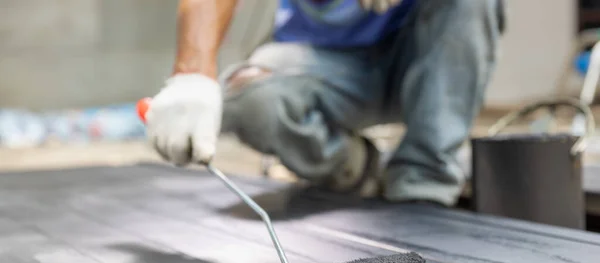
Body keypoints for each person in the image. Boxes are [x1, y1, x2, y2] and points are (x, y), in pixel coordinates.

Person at [145, 0, 505, 206]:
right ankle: (363, 169)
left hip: (420, 56)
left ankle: (425, 180)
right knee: (250, 99)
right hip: (325, 58)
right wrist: (192, 75)